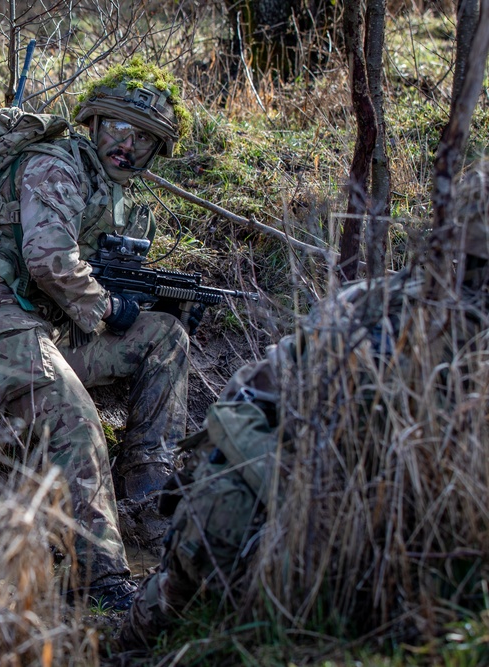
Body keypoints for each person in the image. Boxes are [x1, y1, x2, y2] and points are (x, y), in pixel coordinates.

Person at [117, 162, 489, 647]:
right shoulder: (375, 307)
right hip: (288, 525)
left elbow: (251, 393)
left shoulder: (372, 303)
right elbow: (252, 398)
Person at [0, 61, 194, 609]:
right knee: (76, 420)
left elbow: (88, 277)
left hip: (46, 323)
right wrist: (108, 307)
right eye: (117, 131)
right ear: (95, 125)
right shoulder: (56, 164)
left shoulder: (121, 200)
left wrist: (145, 306)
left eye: (143, 139)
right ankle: (100, 576)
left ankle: (148, 496)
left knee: (166, 336)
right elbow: (49, 258)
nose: (126, 146)